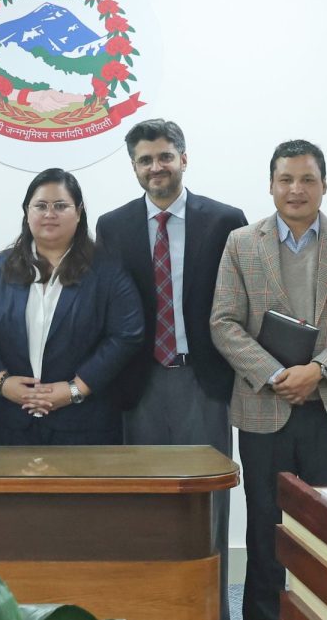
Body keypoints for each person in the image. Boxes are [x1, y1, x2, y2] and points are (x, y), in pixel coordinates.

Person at [211, 140, 327, 620]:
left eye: (307, 179)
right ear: (271, 185)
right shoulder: (242, 243)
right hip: (264, 409)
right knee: (265, 526)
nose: (296, 189)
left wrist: (317, 371)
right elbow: (224, 322)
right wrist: (275, 374)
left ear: (324, 185)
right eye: (286, 179)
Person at [94, 119, 247, 619]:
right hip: (138, 385)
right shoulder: (112, 226)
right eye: (145, 159)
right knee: (141, 507)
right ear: (133, 167)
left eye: (164, 156)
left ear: (183, 158)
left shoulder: (225, 221)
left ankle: (211, 609)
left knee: (208, 506)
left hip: (203, 381)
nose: (155, 167)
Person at [0, 168, 142, 445]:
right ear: (26, 212)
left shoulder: (107, 269)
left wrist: (76, 389)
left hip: (85, 421)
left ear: (79, 212)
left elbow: (127, 335)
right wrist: (1, 382)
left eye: (60, 206)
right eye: (40, 206)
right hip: (11, 420)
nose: (49, 214)